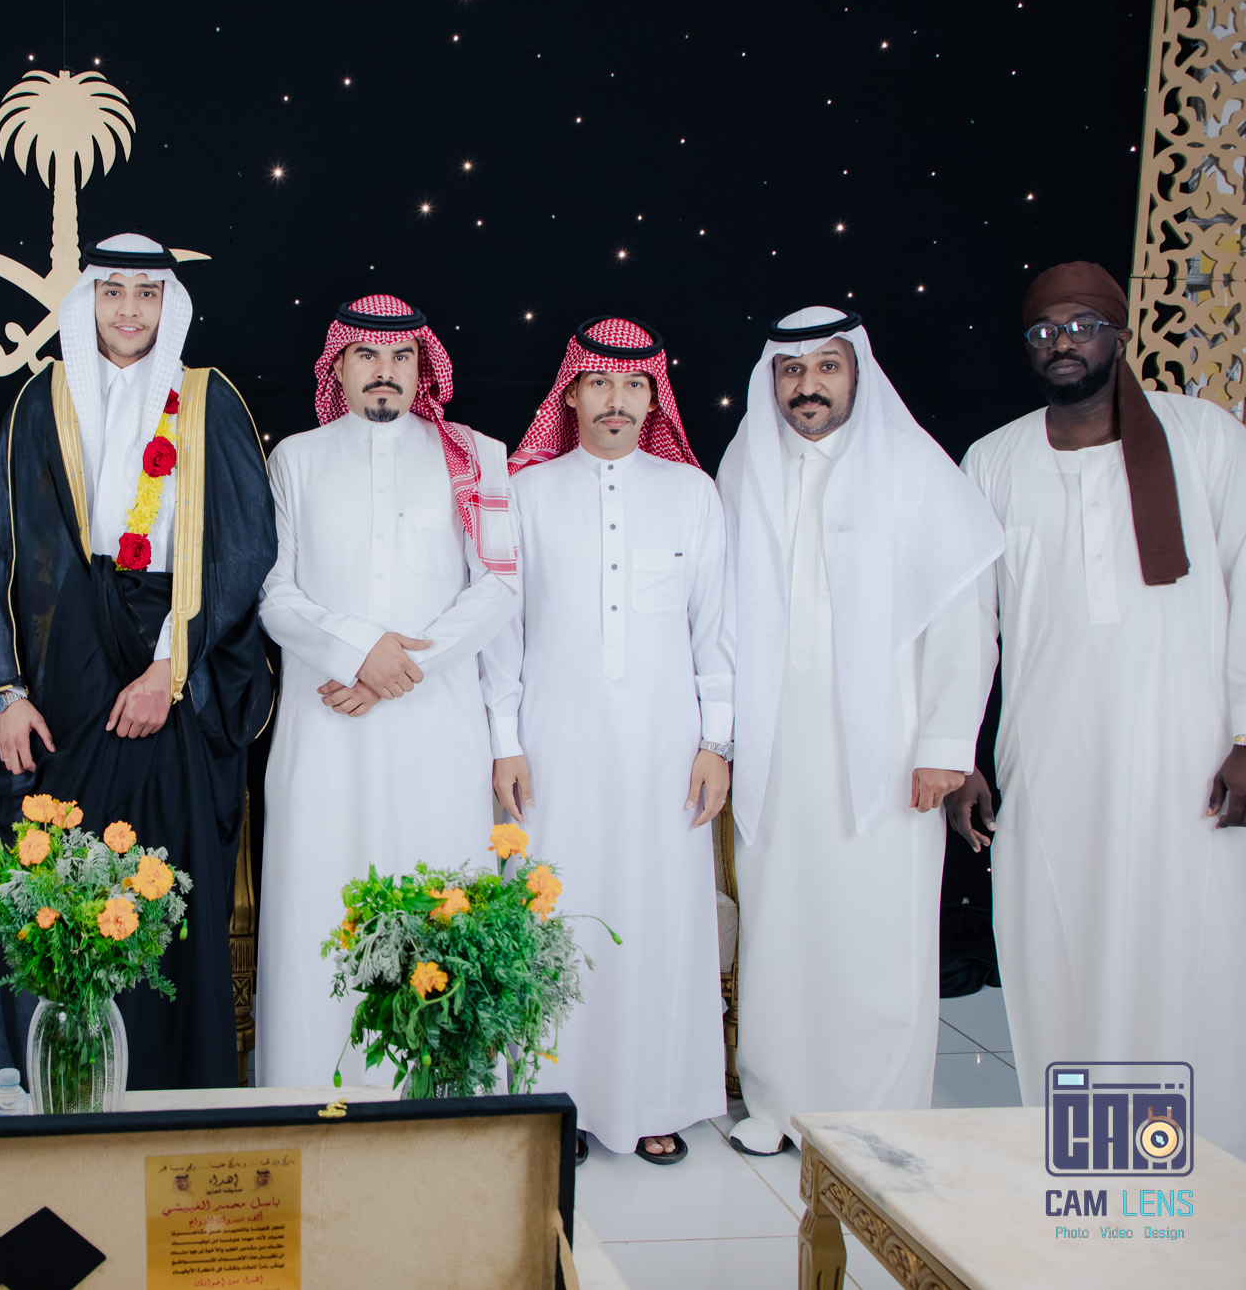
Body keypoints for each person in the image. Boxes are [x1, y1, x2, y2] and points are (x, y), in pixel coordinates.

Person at [0, 234, 275, 1090]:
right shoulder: (42, 399)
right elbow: (0, 550)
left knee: (162, 884)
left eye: (147, 292)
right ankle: (53, 1090)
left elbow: (243, 548)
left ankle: (165, 1095)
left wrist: (169, 669)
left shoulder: (207, 399)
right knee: (53, 877)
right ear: (89, 298)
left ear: (169, 301)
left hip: (175, 659)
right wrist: (4, 692)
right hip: (63, 677)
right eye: (113, 291)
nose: (129, 309)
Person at [951, 262, 1246, 1156]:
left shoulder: (1204, 437)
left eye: (1082, 325)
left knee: (1186, 943)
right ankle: (1095, 1152)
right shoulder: (993, 460)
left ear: (1119, 333)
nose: (1064, 343)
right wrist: (958, 750)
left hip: (1186, 752)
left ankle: (1209, 1156)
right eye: (1045, 330)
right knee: (1059, 946)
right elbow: (966, 621)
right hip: (1051, 754)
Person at [719, 307, 1001, 1158]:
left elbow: (964, 614)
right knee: (781, 923)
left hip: (890, 750)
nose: (807, 386)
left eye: (827, 367)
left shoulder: (914, 467)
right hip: (776, 747)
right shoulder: (744, 463)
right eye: (791, 369)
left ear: (857, 374)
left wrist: (946, 745)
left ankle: (879, 1114)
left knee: (881, 932)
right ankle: (777, 1102)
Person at [255, 294, 521, 1089]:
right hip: (324, 728)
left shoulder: (475, 454)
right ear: (337, 366)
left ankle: (437, 1103)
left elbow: (500, 586)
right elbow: (273, 592)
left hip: (436, 731)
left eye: (402, 356)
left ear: (422, 367)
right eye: (367, 355)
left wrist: (399, 667)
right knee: (320, 905)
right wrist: (356, 650)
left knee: (438, 900)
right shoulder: (295, 458)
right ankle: (310, 1094)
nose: (385, 371)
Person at [489, 317, 727, 1164]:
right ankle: (553, 1098)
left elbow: (717, 628)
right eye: (599, 383)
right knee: (554, 915)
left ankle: (655, 1099)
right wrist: (505, 739)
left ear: (654, 398)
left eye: (633, 385)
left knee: (658, 918)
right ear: (572, 394)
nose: (615, 400)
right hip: (555, 746)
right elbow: (503, 631)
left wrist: (718, 742)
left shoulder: (693, 493)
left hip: (667, 751)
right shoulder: (527, 491)